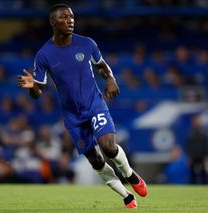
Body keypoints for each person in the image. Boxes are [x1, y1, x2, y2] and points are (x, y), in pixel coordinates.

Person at [17, 4, 147, 208]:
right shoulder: (44, 55)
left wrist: (111, 78)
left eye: (72, 17)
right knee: (96, 160)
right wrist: (32, 86)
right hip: (73, 116)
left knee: (109, 147)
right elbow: (38, 93)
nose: (70, 20)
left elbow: (102, 65)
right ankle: (126, 196)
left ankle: (130, 175)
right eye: (64, 17)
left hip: (94, 104)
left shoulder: (86, 44)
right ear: (53, 22)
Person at [185, 114, 208, 184]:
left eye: (198, 121)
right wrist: (189, 156)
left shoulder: (204, 134)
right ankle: (192, 188)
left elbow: (206, 145)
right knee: (192, 174)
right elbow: (188, 146)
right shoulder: (190, 134)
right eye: (196, 121)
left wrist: (206, 156)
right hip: (193, 157)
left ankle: (205, 187)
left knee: (203, 173)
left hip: (202, 156)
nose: (197, 123)